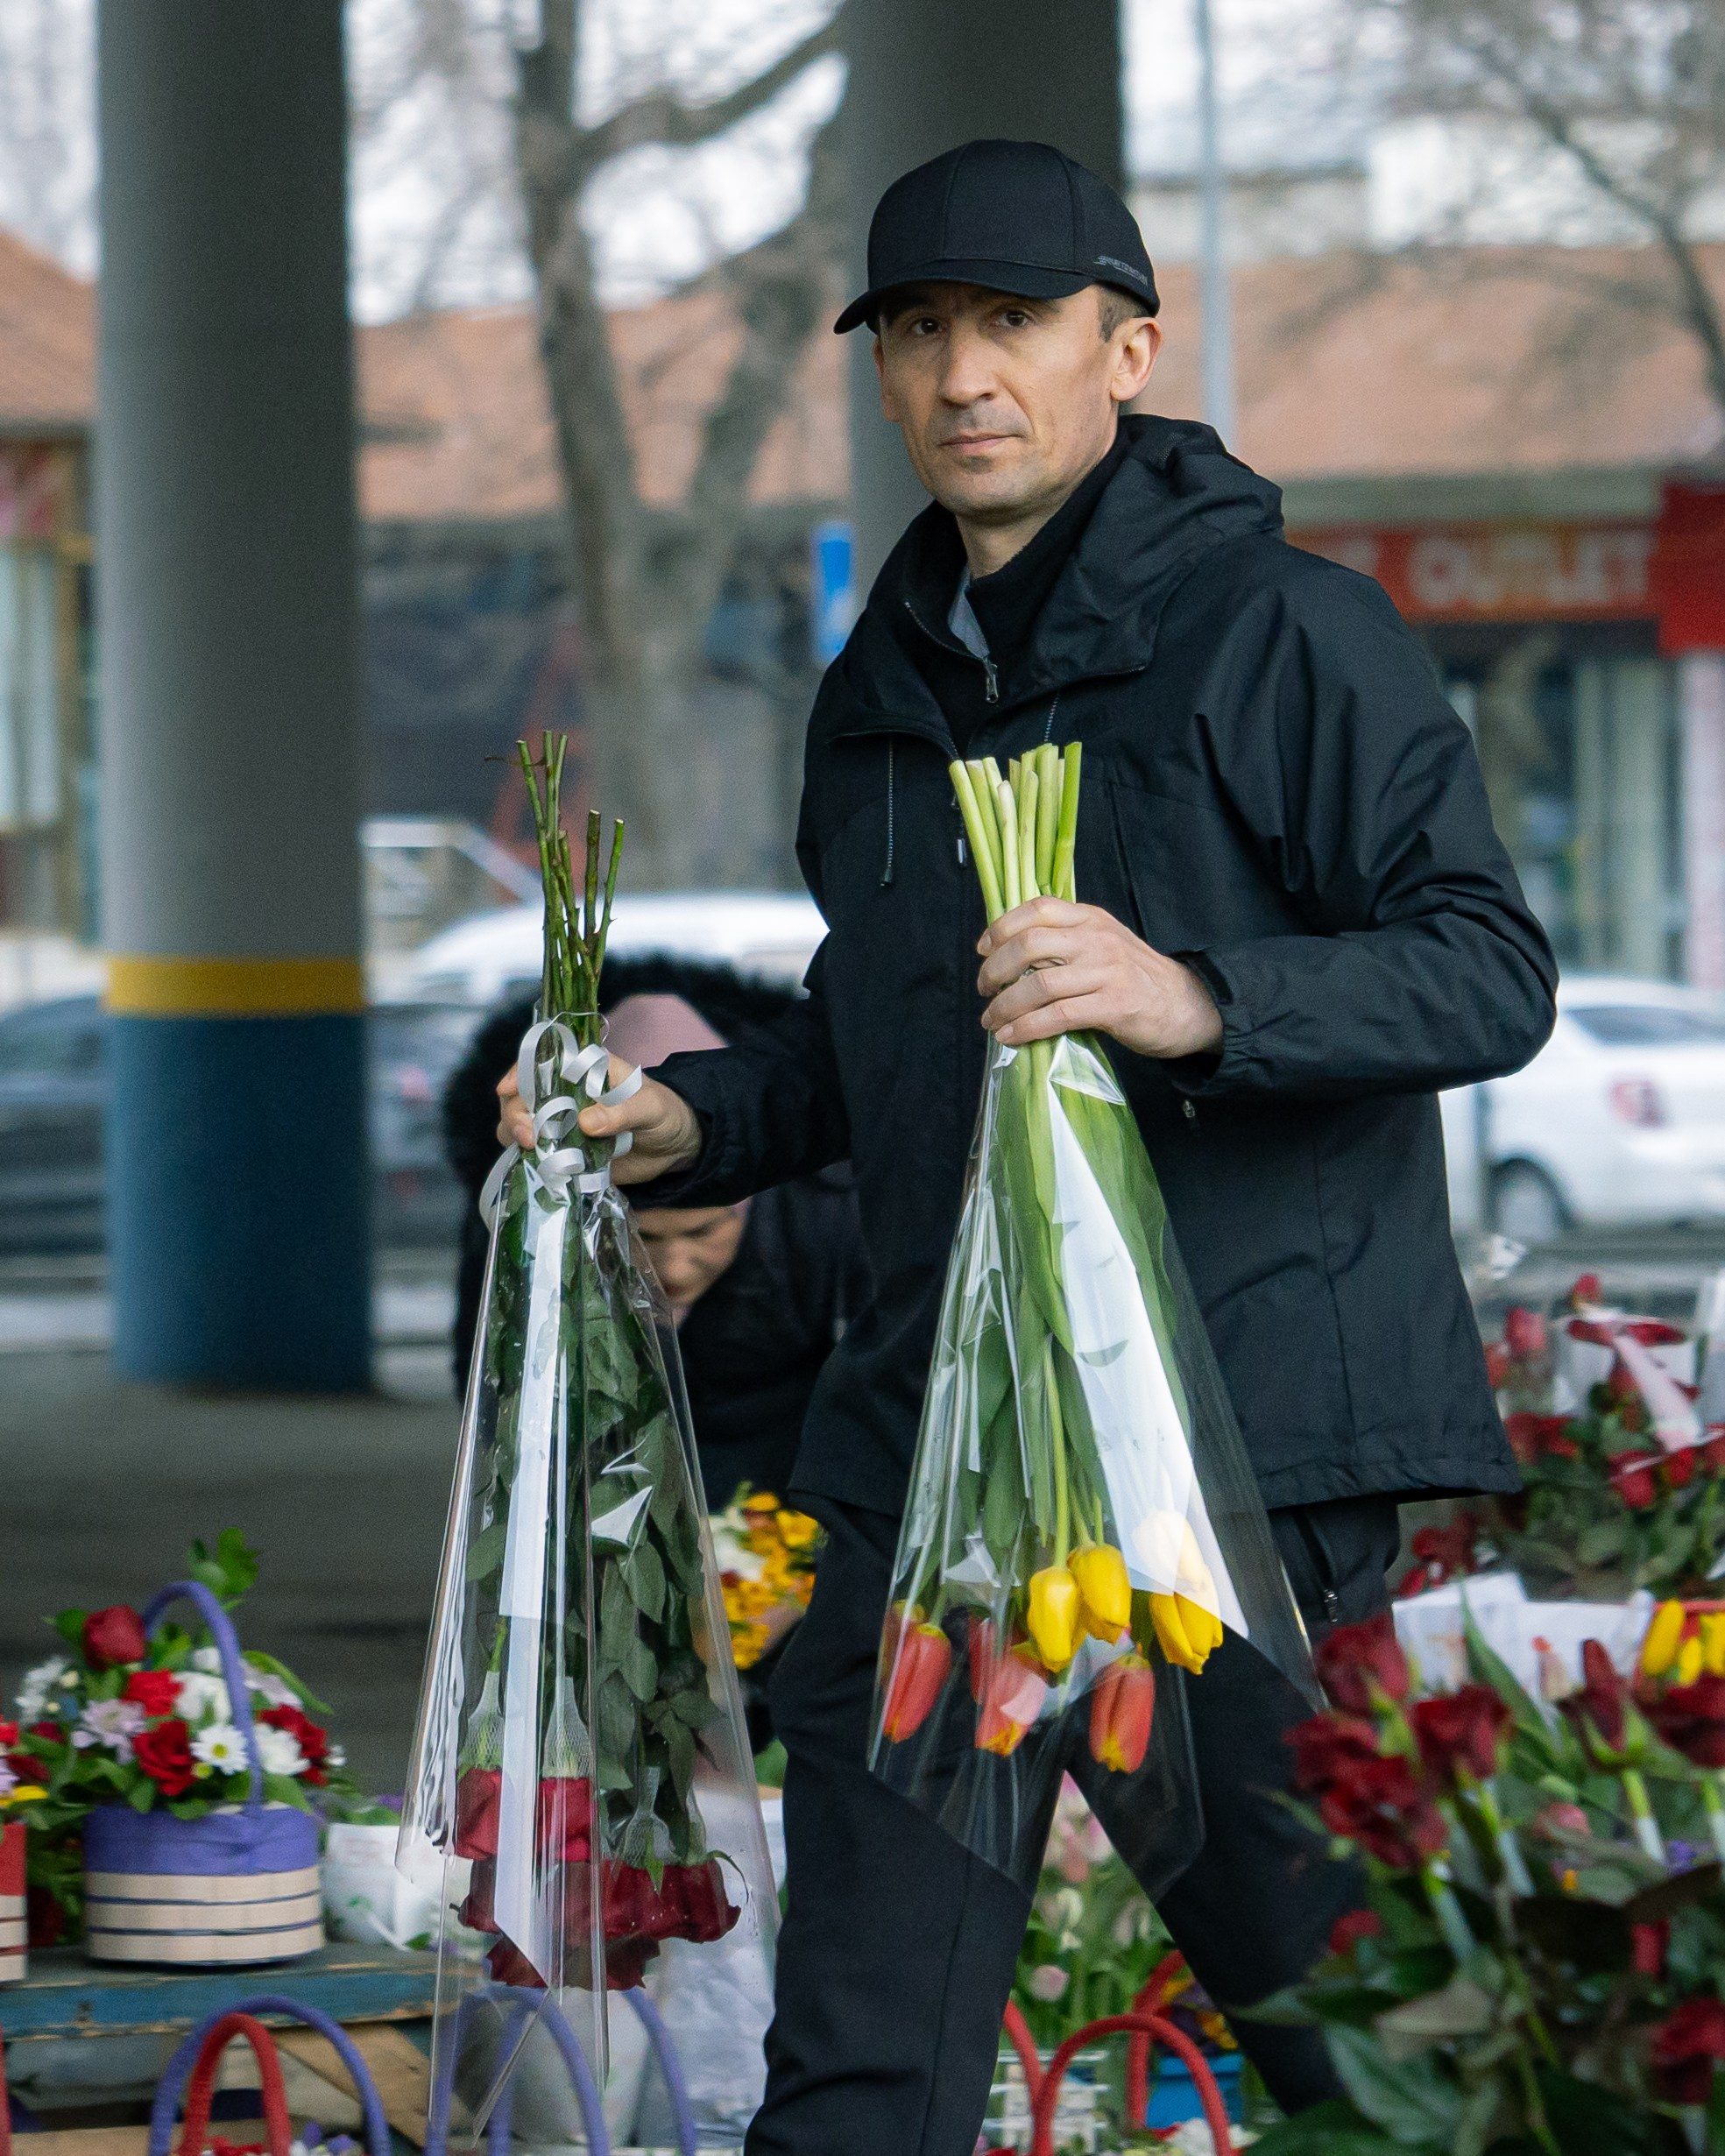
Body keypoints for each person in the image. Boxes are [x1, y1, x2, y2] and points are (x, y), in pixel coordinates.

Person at [498, 138, 1558, 2154]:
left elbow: (1486, 969)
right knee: (860, 2078)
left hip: (1223, 1457)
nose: (962, 370)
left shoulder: (1291, 635)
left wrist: (1202, 998)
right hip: (930, 1473)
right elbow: (881, 1050)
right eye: (917, 330)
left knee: (1375, 2053)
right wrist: (682, 1112)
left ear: (1127, 345)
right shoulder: (875, 694)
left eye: (1012, 321)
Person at [445, 956, 869, 1509]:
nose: (673, 1270)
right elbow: (495, 1396)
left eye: (703, 1231)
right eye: (644, 1237)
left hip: (788, 1514)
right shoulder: (526, 1223)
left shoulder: (825, 1217)